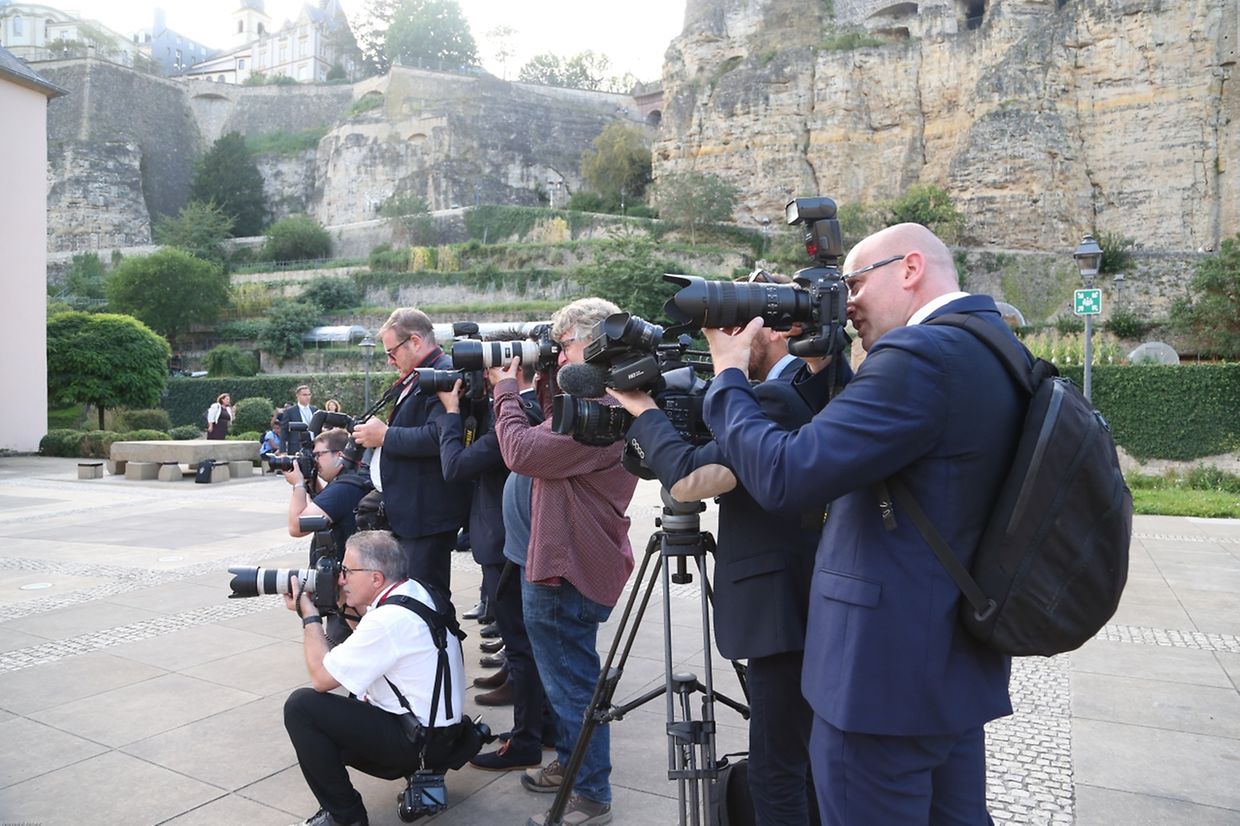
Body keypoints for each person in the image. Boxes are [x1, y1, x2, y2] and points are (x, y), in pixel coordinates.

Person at [700, 223, 1024, 824]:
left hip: (880, 681)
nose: (846, 303)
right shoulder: (995, 347)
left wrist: (727, 376)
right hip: (951, 664)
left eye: (854, 283)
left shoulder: (920, 356)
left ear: (909, 269)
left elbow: (787, 474)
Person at [610, 274, 849, 826]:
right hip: (809, 600)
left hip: (782, 614)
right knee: (806, 756)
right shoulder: (817, 385)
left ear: (784, 329)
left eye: (745, 322)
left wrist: (641, 407)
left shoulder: (774, 396)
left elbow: (696, 477)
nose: (729, 330)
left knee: (776, 769)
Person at [489, 297, 639, 826]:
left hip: (566, 567)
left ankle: (591, 794)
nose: (558, 353)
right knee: (564, 681)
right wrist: (543, 375)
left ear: (596, 345)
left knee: (573, 687)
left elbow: (522, 451)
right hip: (561, 560)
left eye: (567, 344)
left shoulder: (605, 413)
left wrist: (504, 391)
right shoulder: (599, 397)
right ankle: (570, 765)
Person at [283, 530, 466, 826]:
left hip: (417, 741)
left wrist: (310, 616)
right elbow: (369, 650)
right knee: (358, 690)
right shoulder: (416, 592)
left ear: (376, 579)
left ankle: (346, 817)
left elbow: (321, 677)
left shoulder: (386, 621)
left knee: (302, 709)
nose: (340, 579)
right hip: (445, 735)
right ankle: (427, 778)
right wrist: (342, 606)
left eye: (346, 571)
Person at [352, 308, 469, 598]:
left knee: (428, 596)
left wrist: (385, 435)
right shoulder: (423, 374)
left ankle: (439, 643)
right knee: (416, 593)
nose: (390, 361)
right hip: (413, 511)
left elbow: (438, 436)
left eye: (392, 352)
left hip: (426, 514)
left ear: (415, 341)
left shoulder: (444, 373)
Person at [284, 427, 373, 557]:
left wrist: (298, 485)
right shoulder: (357, 474)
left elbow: (296, 527)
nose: (315, 461)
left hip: (341, 569)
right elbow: (325, 508)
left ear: (339, 455)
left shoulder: (342, 488)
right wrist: (310, 480)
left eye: (319, 455)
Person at [280, 385, 318, 452]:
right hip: (297, 447)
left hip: (313, 445)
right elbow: (283, 432)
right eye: (304, 395)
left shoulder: (314, 410)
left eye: (309, 395)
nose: (307, 397)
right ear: (297, 396)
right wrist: (282, 451)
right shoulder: (290, 411)